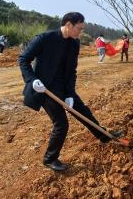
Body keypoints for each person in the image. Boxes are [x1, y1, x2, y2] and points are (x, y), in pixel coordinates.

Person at [18, 12, 121, 171]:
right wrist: (31, 80)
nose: (80, 32)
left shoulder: (74, 43)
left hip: (64, 88)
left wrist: (70, 94)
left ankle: (103, 136)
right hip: (45, 89)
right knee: (61, 124)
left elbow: (72, 71)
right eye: (79, 28)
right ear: (68, 25)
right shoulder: (45, 38)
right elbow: (23, 59)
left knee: (83, 111)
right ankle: (50, 159)